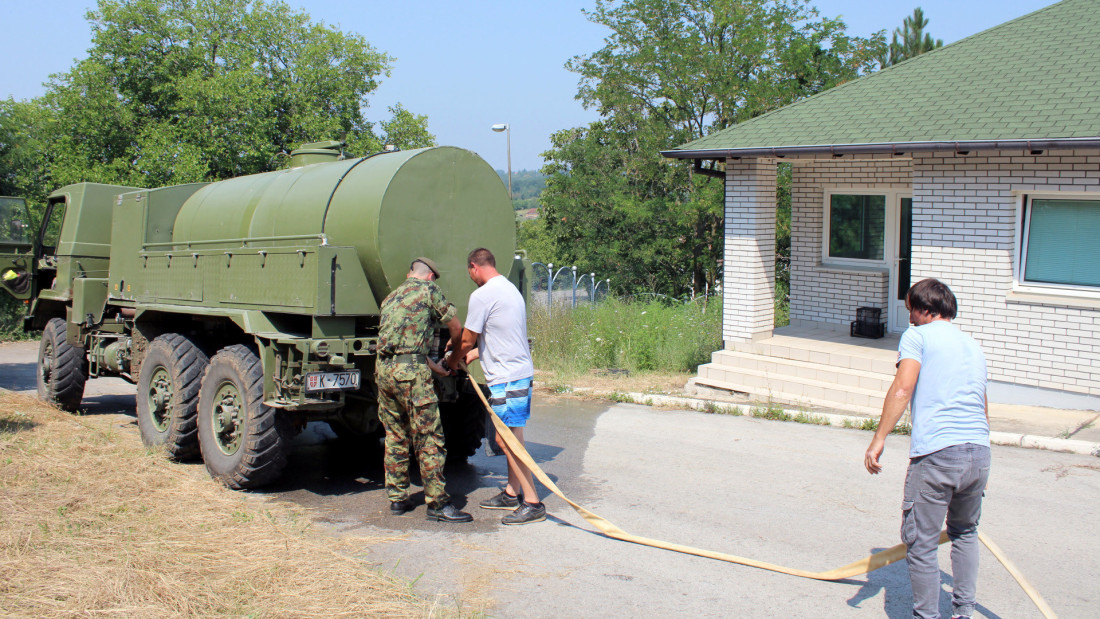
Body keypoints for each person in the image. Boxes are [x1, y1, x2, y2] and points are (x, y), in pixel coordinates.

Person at [864, 278, 990, 619]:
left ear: (926, 310)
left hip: (938, 452)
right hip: (978, 451)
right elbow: (981, 405)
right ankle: (963, 612)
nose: (909, 320)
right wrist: (980, 462)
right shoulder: (972, 345)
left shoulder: (917, 337)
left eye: (911, 312)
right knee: (965, 532)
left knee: (920, 542)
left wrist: (879, 439)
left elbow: (903, 388)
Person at [447, 247, 544, 525]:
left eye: (469, 273)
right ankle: (512, 493)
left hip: (508, 378)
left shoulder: (482, 295)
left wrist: (454, 360)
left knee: (505, 439)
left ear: (474, 267)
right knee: (514, 437)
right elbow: (500, 338)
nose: (471, 278)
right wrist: (475, 354)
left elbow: (467, 339)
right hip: (518, 372)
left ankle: (533, 502)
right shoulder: (509, 289)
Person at [376, 257, 472, 523]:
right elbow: (455, 327)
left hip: (385, 372)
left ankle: (397, 499)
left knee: (395, 434)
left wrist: (435, 368)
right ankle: (438, 504)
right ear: (430, 277)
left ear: (410, 274)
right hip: (411, 377)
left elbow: (407, 346)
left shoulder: (391, 297)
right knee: (428, 436)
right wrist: (452, 353)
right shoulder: (430, 292)